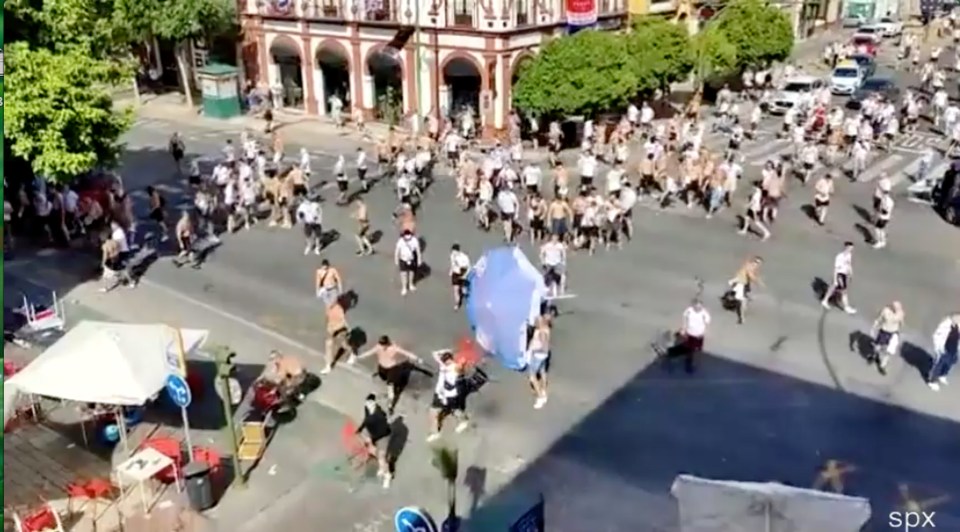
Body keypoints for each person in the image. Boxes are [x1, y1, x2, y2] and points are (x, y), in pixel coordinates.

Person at [358, 336, 422, 414]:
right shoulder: (378, 347)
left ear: (388, 343)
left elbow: (405, 353)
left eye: (384, 344)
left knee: (391, 390)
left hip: (392, 369)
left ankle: (390, 406)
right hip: (382, 369)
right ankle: (393, 384)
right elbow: (369, 352)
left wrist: (417, 358)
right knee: (386, 380)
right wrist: (359, 357)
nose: (383, 346)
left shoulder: (393, 348)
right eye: (381, 344)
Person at [426, 350, 469, 442]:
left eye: (447, 360)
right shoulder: (444, 366)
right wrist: (446, 350)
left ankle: (463, 421)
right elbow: (434, 354)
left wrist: (462, 363)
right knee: (433, 412)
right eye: (445, 360)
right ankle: (435, 432)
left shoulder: (454, 368)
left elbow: (460, 369)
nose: (446, 362)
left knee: (454, 410)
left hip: (449, 395)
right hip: (440, 393)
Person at [355, 394, 393, 488]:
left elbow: (383, 431)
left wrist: (371, 439)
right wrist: (360, 429)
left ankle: (387, 475)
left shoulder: (379, 415)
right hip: (373, 432)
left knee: (381, 456)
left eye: (370, 403)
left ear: (375, 403)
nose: (368, 405)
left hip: (383, 436)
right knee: (373, 449)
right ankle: (381, 466)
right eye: (367, 403)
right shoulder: (367, 408)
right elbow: (366, 420)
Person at [821, 242, 856, 314]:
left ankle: (825, 300)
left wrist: (851, 273)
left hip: (844, 274)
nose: (851, 250)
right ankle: (846, 307)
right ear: (846, 247)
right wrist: (835, 279)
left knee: (833, 287)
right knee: (844, 290)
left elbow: (849, 264)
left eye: (851, 248)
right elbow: (836, 269)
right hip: (839, 274)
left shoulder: (849, 255)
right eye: (850, 248)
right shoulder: (839, 257)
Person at [321, 300, 355, 373]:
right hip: (335, 328)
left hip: (336, 328)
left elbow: (339, 320)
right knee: (333, 344)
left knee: (338, 344)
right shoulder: (336, 308)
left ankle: (328, 365)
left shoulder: (335, 309)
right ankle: (328, 365)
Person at [870, 301, 904, 375]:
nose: (897, 310)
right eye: (895, 308)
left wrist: (899, 333)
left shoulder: (900, 313)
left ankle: (883, 365)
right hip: (884, 332)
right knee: (877, 347)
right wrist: (874, 327)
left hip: (894, 333)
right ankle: (874, 355)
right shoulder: (886, 311)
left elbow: (901, 323)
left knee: (890, 350)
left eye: (898, 308)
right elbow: (879, 319)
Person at [928, 313, 960, 391]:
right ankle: (932, 381)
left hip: (953, 349)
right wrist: (939, 348)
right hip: (944, 348)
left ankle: (942, 375)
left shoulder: (958, 326)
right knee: (939, 365)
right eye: (957, 319)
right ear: (953, 318)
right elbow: (937, 336)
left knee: (950, 363)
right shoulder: (946, 325)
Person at [527, 314, 551, 409]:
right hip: (544, 355)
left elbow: (543, 344)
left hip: (538, 355)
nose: (535, 323)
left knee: (532, 376)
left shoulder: (541, 331)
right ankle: (544, 389)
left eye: (536, 321)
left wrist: (533, 347)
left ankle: (540, 397)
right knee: (542, 372)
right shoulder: (546, 328)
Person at [394, 230, 422, 296]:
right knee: (403, 274)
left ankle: (410, 284)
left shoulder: (414, 240)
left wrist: (419, 259)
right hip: (403, 259)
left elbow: (418, 250)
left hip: (411, 259)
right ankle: (404, 287)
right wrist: (396, 259)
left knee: (411, 272)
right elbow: (397, 251)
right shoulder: (400, 241)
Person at [449, 244, 471, 310]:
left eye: (454, 251)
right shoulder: (452, 256)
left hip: (462, 273)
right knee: (455, 290)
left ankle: (466, 294)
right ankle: (457, 304)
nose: (453, 253)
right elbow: (452, 264)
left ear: (458, 251)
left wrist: (464, 275)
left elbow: (468, 267)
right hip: (455, 274)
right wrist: (451, 270)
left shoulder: (464, 257)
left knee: (463, 289)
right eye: (452, 251)